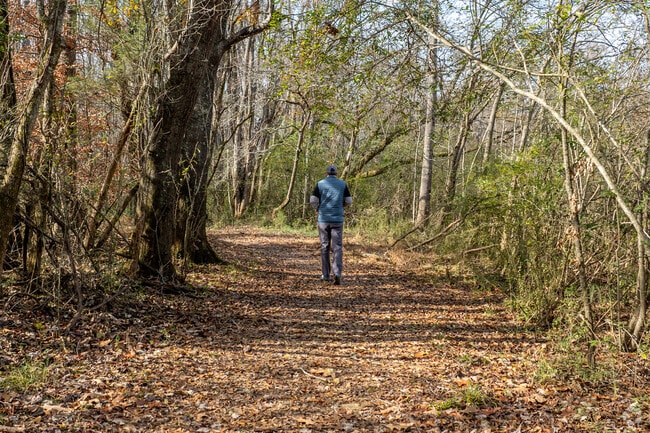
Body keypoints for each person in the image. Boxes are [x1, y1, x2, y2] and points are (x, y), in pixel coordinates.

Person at [310, 164, 352, 285]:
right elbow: (349, 201)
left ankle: (326, 275)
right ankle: (337, 273)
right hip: (338, 219)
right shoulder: (343, 184)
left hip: (323, 219)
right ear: (337, 174)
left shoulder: (320, 184)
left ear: (326, 173)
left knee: (325, 246)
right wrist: (341, 206)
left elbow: (313, 200)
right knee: (337, 247)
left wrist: (318, 209)